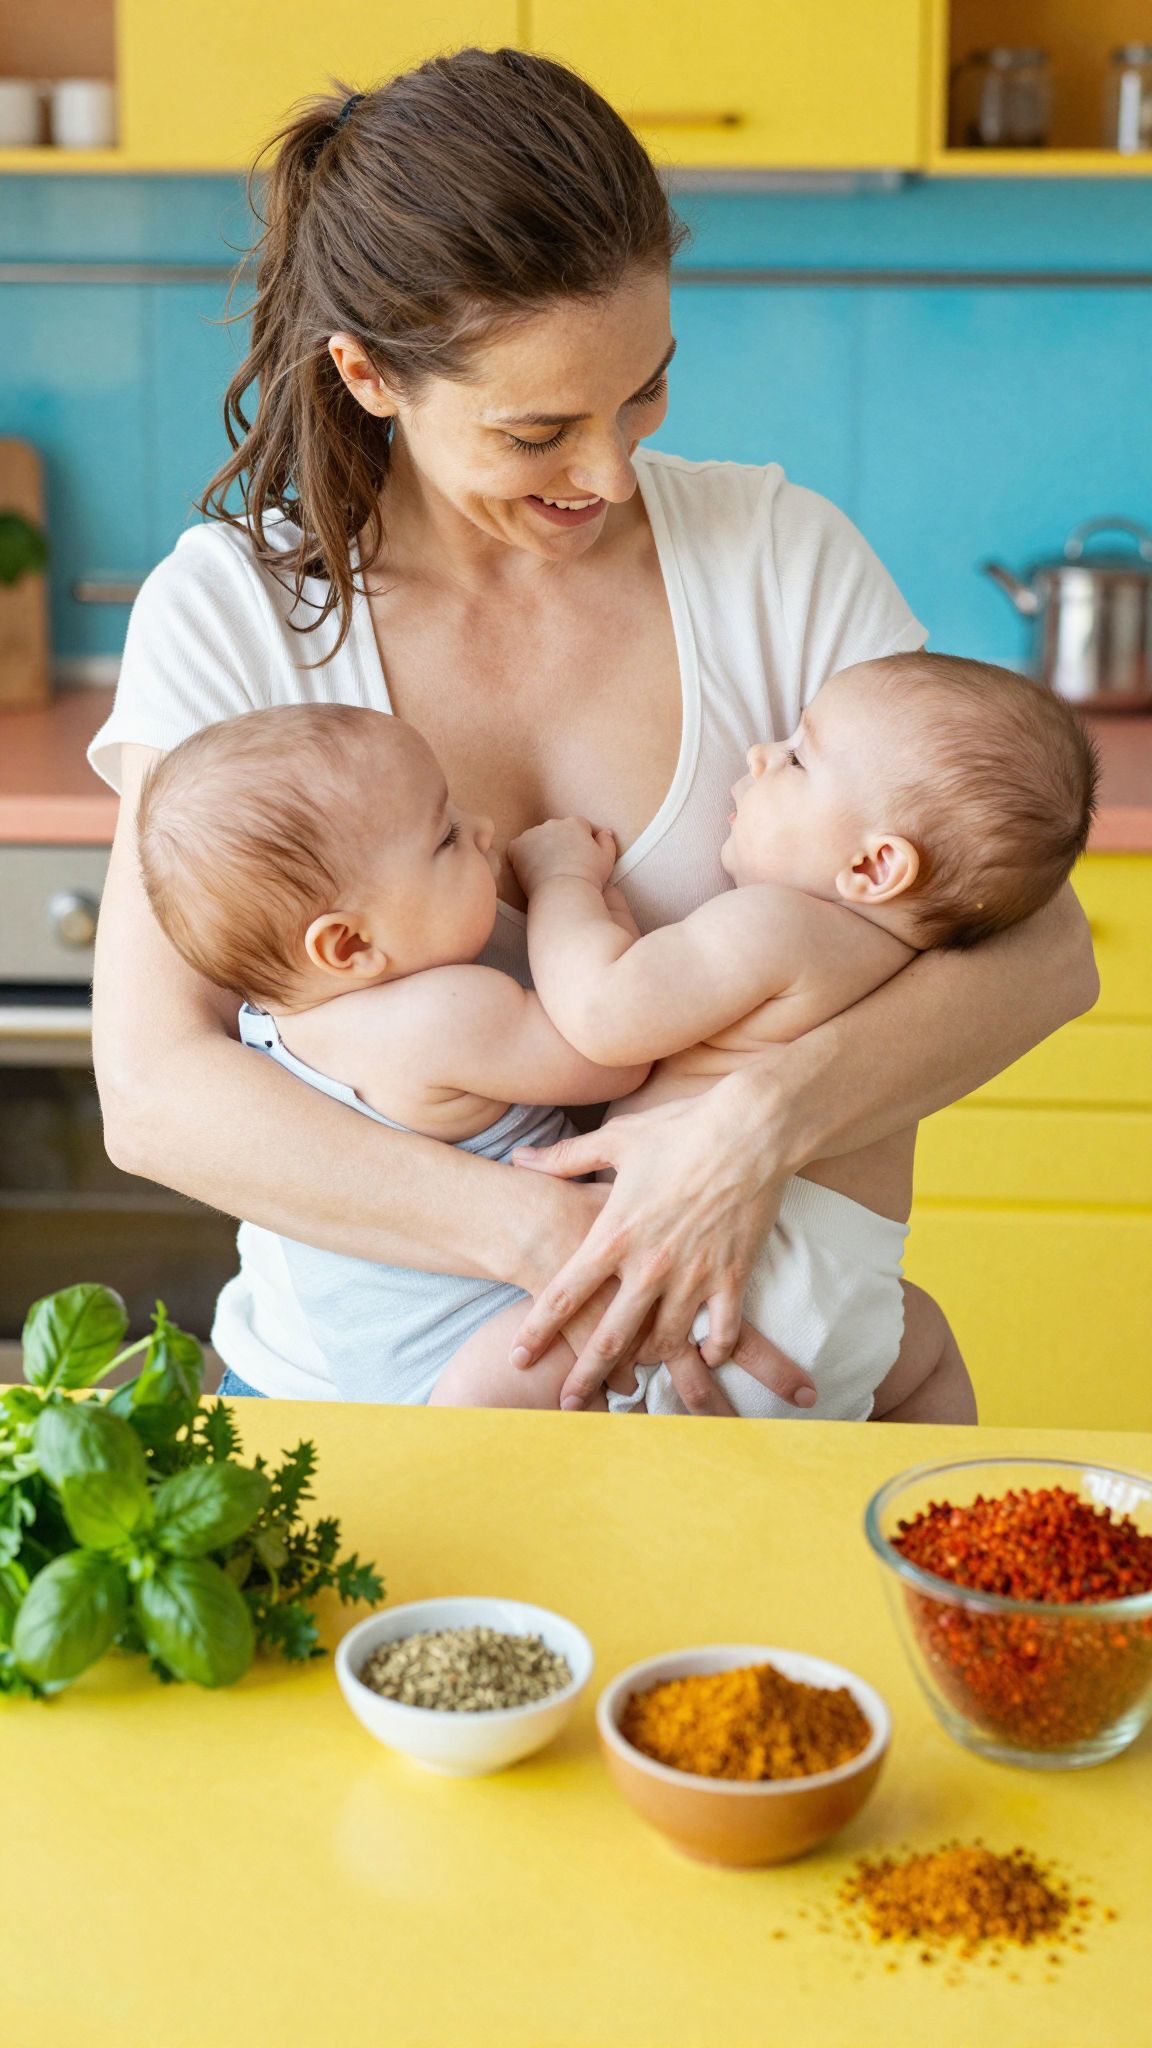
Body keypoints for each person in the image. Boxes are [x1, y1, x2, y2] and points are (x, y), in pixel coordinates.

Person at [89, 48, 1098, 1411]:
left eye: (645, 391)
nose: (611, 471)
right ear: (370, 375)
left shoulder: (775, 556)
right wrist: (570, 1245)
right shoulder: (232, 614)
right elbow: (156, 1088)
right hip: (355, 1416)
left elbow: (1043, 950)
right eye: (538, 430)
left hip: (746, 1413)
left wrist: (754, 1130)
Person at [134, 702, 647, 1405]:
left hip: (364, 1376)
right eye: (445, 838)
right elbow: (616, 1049)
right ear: (349, 944)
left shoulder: (268, 1026)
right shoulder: (441, 1017)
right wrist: (570, 884)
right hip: (484, 1364)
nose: (484, 828)